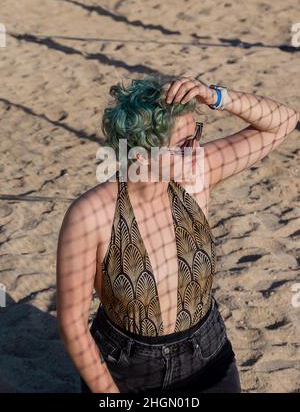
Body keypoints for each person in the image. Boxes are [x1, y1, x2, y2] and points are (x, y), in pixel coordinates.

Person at [56, 75, 299, 393]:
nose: (196, 149)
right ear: (141, 156)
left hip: (207, 355)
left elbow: (284, 121)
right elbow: (72, 324)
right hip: (128, 371)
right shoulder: (90, 215)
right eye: (184, 145)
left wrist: (216, 97)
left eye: (196, 134)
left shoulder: (196, 174)